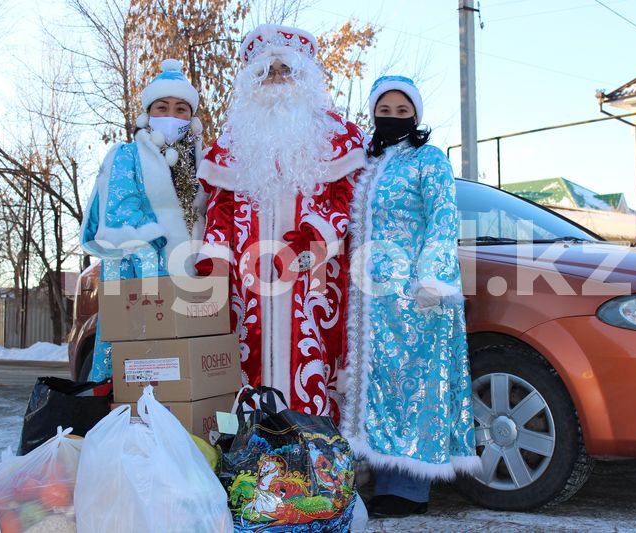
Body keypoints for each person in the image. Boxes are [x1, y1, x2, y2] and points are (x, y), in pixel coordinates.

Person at [195, 24, 365, 420]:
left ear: (304, 77)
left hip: (315, 279)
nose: (276, 80)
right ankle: (253, 455)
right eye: (266, 73)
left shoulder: (339, 137)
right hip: (247, 283)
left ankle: (319, 455)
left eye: (284, 70)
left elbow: (348, 199)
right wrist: (214, 265)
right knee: (243, 359)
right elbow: (218, 209)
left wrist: (315, 237)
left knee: (315, 356)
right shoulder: (232, 144)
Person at [339, 76, 481, 517]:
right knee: (374, 387)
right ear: (373, 111)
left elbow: (443, 219)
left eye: (404, 112)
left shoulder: (429, 159)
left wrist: (433, 280)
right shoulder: (363, 163)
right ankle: (377, 478)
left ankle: (409, 488)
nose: (394, 118)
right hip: (368, 303)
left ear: (416, 116)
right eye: (386, 109)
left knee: (415, 387)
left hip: (416, 299)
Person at [80, 59, 208, 381]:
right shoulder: (126, 155)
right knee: (141, 372)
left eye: (181, 109)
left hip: (197, 286)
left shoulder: (204, 162)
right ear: (148, 114)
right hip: (143, 279)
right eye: (162, 107)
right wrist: (158, 270)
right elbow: (121, 211)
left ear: (191, 118)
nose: (171, 115)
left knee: (192, 377)